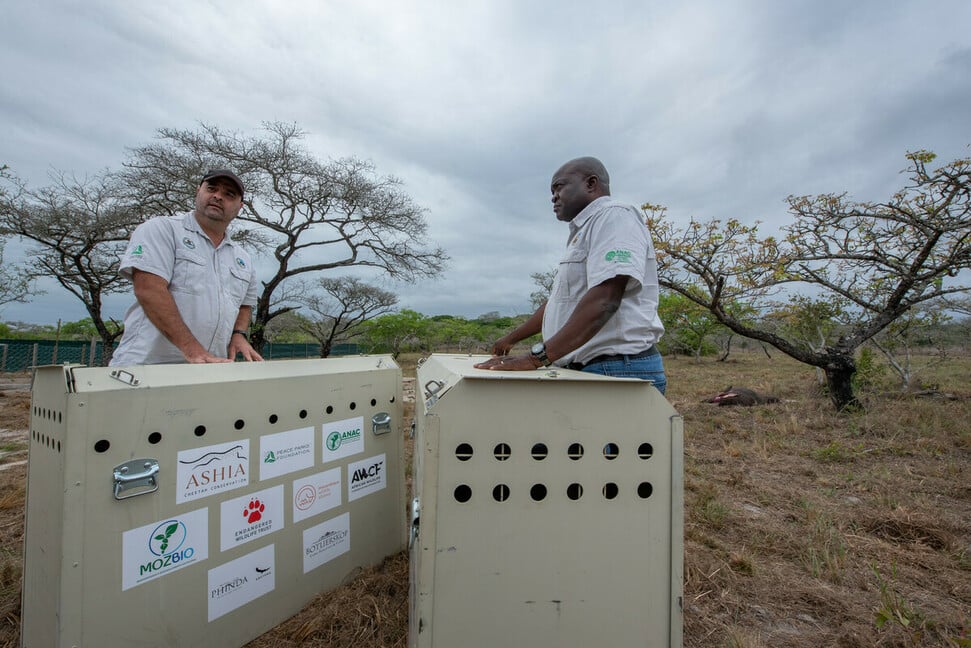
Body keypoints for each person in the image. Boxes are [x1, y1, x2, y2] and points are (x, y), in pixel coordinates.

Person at [475, 156, 666, 394]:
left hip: (616, 368)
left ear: (591, 184)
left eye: (559, 187)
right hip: (590, 368)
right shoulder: (583, 232)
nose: (553, 197)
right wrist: (511, 338)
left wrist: (537, 357)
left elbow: (606, 298)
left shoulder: (614, 216)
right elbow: (559, 301)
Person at [110, 169, 264, 366]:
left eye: (229, 194)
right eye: (212, 189)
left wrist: (238, 334)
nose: (218, 196)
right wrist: (192, 350)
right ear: (198, 191)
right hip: (147, 368)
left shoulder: (242, 258)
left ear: (240, 207)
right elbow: (148, 289)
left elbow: (245, 304)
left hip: (210, 369)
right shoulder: (162, 229)